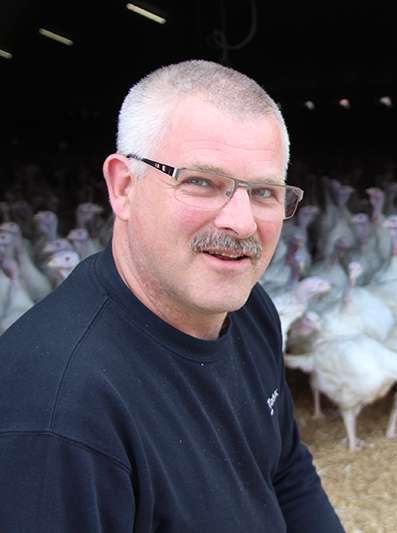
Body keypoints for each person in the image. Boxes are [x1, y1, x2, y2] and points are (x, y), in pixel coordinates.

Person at [0, 60, 345, 533]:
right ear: (123, 187)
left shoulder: (251, 309)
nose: (241, 222)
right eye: (201, 182)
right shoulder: (58, 417)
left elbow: (284, 467)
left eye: (264, 191)